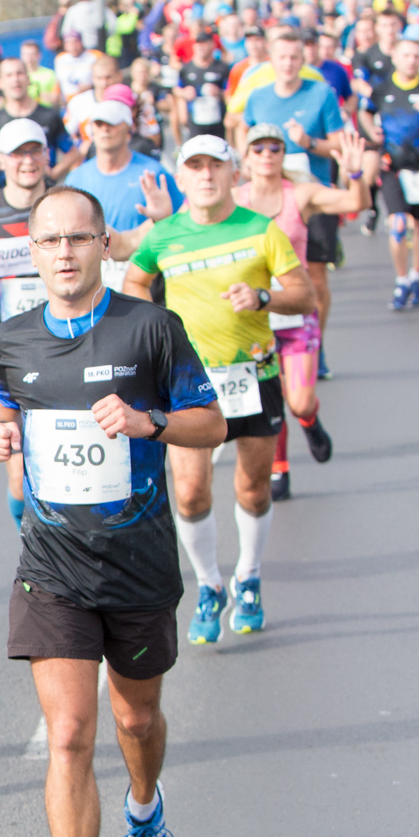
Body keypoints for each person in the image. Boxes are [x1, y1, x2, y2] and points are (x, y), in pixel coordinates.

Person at [0, 185, 225, 837]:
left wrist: (150, 421)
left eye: (78, 239)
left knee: (136, 723)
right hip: (51, 564)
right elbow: (3, 411)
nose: (62, 253)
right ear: (33, 250)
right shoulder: (11, 336)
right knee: (71, 733)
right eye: (48, 241)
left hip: (138, 559)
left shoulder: (150, 326)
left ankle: (145, 805)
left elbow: (211, 420)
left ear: (100, 245)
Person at [0, 118, 171, 523]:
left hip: (78, 346)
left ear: (46, 155)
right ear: (0, 160)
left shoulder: (72, 207)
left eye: (35, 150)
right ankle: (35, 547)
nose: (27, 161)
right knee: (20, 475)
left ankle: (81, 543)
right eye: (17, 153)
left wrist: (158, 221)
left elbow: (121, 246)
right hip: (13, 352)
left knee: (80, 460)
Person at [123, 135, 316, 644]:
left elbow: (306, 295)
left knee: (253, 487)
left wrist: (263, 296)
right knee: (189, 492)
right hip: (186, 383)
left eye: (216, 166)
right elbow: (135, 281)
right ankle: (210, 584)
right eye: (195, 167)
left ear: (234, 175)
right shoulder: (164, 235)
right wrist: (154, 325)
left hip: (253, 376)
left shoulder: (261, 230)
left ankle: (248, 577)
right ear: (181, 180)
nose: (206, 175)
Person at [235, 124, 379, 501]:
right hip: (251, 314)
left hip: (296, 310)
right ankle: (279, 466)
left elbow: (356, 202)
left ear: (283, 155)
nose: (266, 155)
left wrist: (355, 173)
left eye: (274, 148)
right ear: (246, 158)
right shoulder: (232, 200)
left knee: (298, 400)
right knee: (271, 397)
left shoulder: (300, 194)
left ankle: (310, 421)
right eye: (258, 149)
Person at [242, 28, 346, 374]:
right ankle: (269, 345)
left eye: (295, 57)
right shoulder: (258, 96)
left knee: (313, 277)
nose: (288, 63)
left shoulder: (320, 93)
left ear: (304, 60)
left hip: (310, 195)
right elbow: (246, 138)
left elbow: (338, 144)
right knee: (263, 271)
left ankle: (316, 343)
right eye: (282, 57)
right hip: (268, 195)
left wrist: (309, 142)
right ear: (271, 59)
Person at [356, 37, 419, 308]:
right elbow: (365, 112)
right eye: (406, 55)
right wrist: (372, 133)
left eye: (416, 56)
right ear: (395, 58)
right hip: (393, 166)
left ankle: (418, 274)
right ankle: (401, 279)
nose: (411, 61)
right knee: (399, 223)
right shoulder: (382, 90)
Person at [63, 101, 185, 291]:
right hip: (92, 281)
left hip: (146, 279)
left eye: (111, 124)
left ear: (129, 129)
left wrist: (163, 219)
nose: (104, 130)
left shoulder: (153, 172)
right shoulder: (76, 178)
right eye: (99, 124)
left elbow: (182, 220)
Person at [0, 57, 75, 176]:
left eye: (19, 73)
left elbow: (73, 152)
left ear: (28, 79)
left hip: (44, 190)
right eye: (9, 75)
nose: (15, 79)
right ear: (0, 83)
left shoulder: (49, 115)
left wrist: (54, 173)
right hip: (8, 191)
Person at [175, 31, 231, 141]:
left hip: (218, 121)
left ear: (212, 45)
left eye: (204, 43)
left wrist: (219, 93)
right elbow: (177, 89)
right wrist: (185, 93)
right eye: (198, 44)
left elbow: (230, 93)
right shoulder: (187, 69)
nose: (201, 47)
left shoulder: (222, 68)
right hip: (196, 120)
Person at [54, 31, 101, 102]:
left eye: (75, 41)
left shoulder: (94, 56)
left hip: (90, 98)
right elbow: (58, 81)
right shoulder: (60, 58)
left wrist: (91, 86)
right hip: (68, 100)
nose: (72, 45)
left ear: (81, 42)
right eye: (68, 42)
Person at [21, 39, 63, 108]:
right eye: (26, 54)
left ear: (39, 55)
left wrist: (37, 94)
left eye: (32, 54)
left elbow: (56, 99)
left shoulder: (50, 74)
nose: (29, 58)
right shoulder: (19, 76)